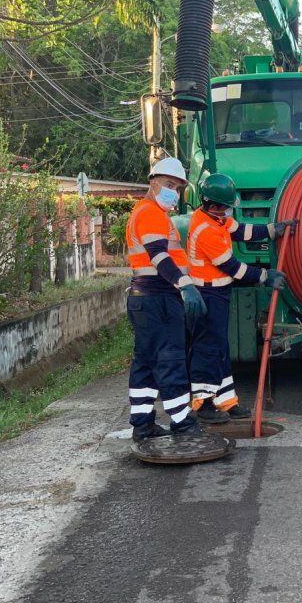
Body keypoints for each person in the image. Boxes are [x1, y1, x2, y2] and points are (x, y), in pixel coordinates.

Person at [186, 173, 296, 422]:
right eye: (224, 206)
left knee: (221, 348)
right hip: (207, 294)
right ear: (210, 204)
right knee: (208, 349)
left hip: (218, 293)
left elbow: (241, 231)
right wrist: (265, 276)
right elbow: (233, 268)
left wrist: (272, 230)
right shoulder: (205, 229)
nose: (227, 211)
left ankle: (226, 402)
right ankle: (202, 404)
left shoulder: (219, 219)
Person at [125, 157, 207, 442]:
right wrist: (184, 284)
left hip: (143, 298)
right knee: (170, 359)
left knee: (145, 362)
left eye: (178, 187)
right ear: (153, 182)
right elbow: (159, 256)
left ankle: (143, 423)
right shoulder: (151, 214)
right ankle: (182, 421)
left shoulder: (150, 213)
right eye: (169, 184)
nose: (174, 191)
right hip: (158, 297)